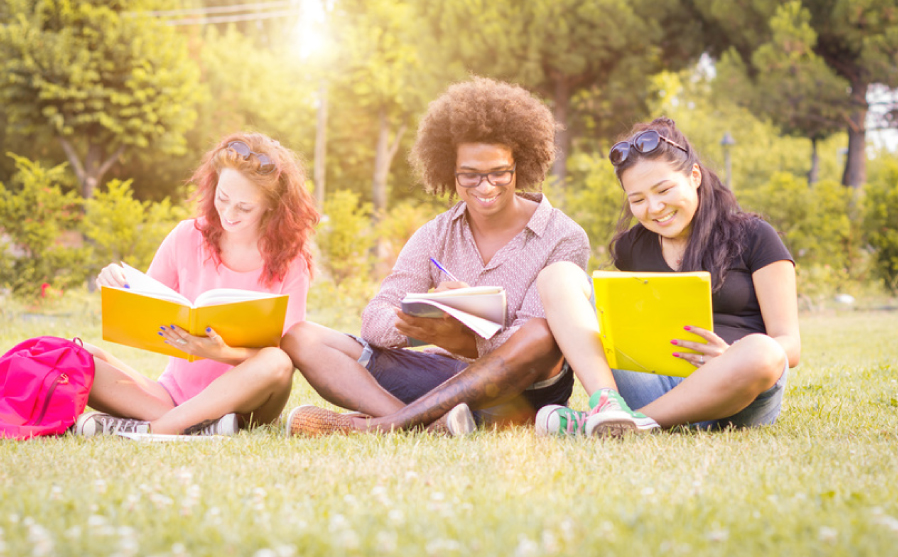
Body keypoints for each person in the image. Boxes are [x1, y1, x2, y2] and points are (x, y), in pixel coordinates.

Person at [282, 77, 590, 436]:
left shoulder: (564, 236)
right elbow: (375, 320)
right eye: (470, 175)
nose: (486, 186)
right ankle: (427, 422)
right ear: (450, 171)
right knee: (302, 337)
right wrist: (424, 318)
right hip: (442, 379)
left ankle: (385, 427)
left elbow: (538, 344)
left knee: (538, 334)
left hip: (521, 390)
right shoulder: (434, 234)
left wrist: (459, 337)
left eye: (499, 172)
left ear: (519, 165)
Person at [535, 117, 801, 436]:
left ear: (694, 176)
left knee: (764, 351)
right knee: (558, 275)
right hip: (654, 381)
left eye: (664, 190)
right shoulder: (632, 247)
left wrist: (730, 355)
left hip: (739, 390)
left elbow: (790, 345)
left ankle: (626, 423)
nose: (655, 207)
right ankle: (610, 408)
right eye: (638, 200)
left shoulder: (755, 235)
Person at [74, 132, 319, 436]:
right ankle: (196, 426)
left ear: (271, 205)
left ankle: (153, 431)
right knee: (80, 357)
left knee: (276, 360)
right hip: (173, 397)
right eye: (223, 198)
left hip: (248, 404)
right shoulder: (186, 235)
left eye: (244, 208)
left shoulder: (290, 260)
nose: (229, 214)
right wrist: (117, 282)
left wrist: (221, 352)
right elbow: (146, 305)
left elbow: (289, 355)